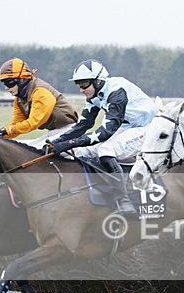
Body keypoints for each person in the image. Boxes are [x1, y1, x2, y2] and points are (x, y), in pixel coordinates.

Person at [44, 59, 156, 217]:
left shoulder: (117, 92)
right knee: (84, 151)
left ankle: (124, 201)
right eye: (78, 85)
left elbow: (105, 132)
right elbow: (83, 125)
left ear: (98, 81)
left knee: (105, 149)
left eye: (83, 84)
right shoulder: (94, 94)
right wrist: (55, 142)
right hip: (126, 126)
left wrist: (70, 143)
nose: (81, 89)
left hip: (146, 127)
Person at [0, 57, 78, 143]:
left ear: (22, 79)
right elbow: (15, 127)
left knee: (31, 152)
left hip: (69, 131)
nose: (6, 88)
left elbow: (33, 123)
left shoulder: (40, 92)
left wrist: (7, 130)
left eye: (8, 83)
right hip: (54, 132)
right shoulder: (18, 100)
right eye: (4, 83)